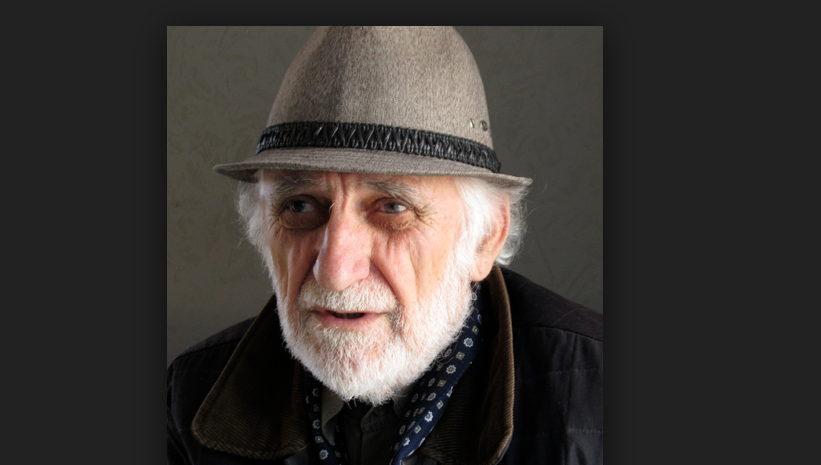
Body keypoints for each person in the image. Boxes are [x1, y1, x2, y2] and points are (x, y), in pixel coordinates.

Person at [167, 26, 602, 465]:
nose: (335, 272)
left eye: (393, 208)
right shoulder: (190, 399)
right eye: (300, 205)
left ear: (485, 237)